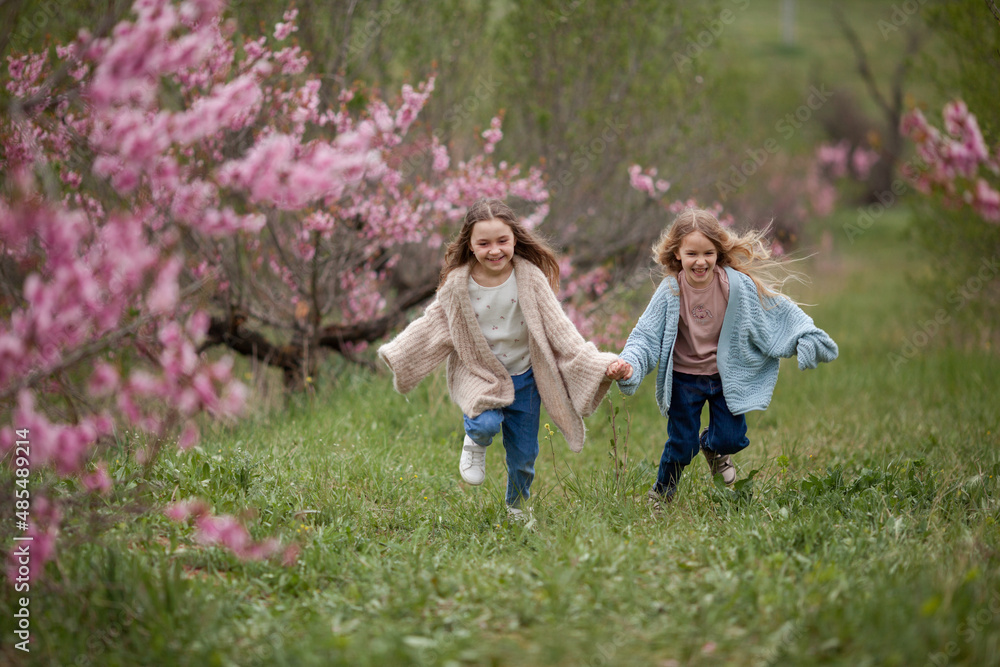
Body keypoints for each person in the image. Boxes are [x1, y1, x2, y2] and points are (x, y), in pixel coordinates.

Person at [378, 198, 623, 518]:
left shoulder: (530, 277)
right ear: (470, 244)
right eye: (484, 243)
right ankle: (474, 441)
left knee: (524, 455)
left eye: (502, 241)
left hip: (526, 378)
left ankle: (517, 507)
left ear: (515, 239)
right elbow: (434, 323)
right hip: (479, 372)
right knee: (485, 423)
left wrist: (601, 363)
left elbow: (560, 329)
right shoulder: (458, 286)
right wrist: (400, 353)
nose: (494, 250)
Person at [605, 208, 838, 506]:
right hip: (684, 380)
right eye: (692, 253)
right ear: (677, 253)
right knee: (681, 445)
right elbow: (645, 337)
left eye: (708, 253)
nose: (700, 261)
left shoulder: (734, 286)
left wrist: (805, 335)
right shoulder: (670, 292)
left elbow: (775, 311)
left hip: (725, 377)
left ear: (718, 252)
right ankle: (662, 494)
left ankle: (713, 448)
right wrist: (630, 365)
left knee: (731, 438)